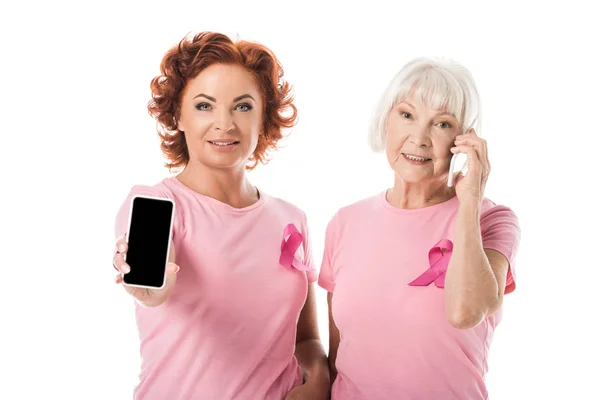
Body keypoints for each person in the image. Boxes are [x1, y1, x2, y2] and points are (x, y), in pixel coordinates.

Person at [112, 31, 329, 400]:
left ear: (263, 119)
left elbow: (306, 339)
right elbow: (153, 292)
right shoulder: (156, 203)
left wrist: (320, 379)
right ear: (178, 115)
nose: (224, 123)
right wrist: (148, 288)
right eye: (204, 106)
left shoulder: (291, 218)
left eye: (242, 106)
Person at [318, 57, 521, 399]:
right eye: (407, 115)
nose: (420, 138)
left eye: (442, 124)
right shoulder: (345, 222)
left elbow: (465, 312)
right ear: (386, 120)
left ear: (464, 139)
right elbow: (340, 356)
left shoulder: (492, 220)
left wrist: (469, 200)